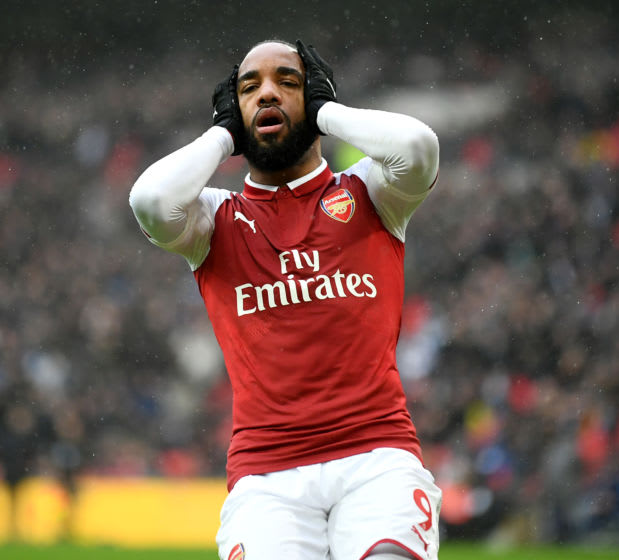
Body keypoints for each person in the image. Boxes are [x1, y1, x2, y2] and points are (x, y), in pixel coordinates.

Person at [129, 39, 442, 560]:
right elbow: (149, 201)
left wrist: (327, 112)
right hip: (266, 477)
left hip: (377, 456)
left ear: (315, 98)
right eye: (249, 89)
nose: (267, 94)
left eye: (288, 83)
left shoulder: (369, 193)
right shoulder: (215, 220)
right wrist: (223, 134)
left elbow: (418, 146)